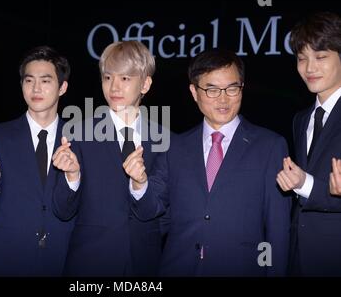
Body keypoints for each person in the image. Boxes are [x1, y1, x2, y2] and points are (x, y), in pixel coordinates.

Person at [125, 48, 291, 276]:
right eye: (211, 90)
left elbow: (278, 230)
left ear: (242, 88)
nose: (223, 99)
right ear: (194, 92)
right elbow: (150, 212)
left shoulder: (270, 146)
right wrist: (139, 183)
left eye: (232, 88)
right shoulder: (174, 147)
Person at [52, 40, 167, 276]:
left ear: (145, 84)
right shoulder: (77, 134)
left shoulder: (166, 141)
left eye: (125, 78)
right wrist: (72, 176)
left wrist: (140, 184)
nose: (114, 86)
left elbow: (161, 213)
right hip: (89, 264)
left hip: (144, 265)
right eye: (107, 77)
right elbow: (61, 210)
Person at [0, 46, 75, 276]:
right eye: (29, 80)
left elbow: (72, 210)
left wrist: (73, 177)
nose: (36, 88)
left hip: (61, 260)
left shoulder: (79, 141)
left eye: (46, 81)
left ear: (62, 87)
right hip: (7, 259)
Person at [276, 11, 341, 276]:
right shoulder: (301, 120)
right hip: (298, 259)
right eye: (302, 58)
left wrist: (304, 184)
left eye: (321, 57)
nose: (310, 68)